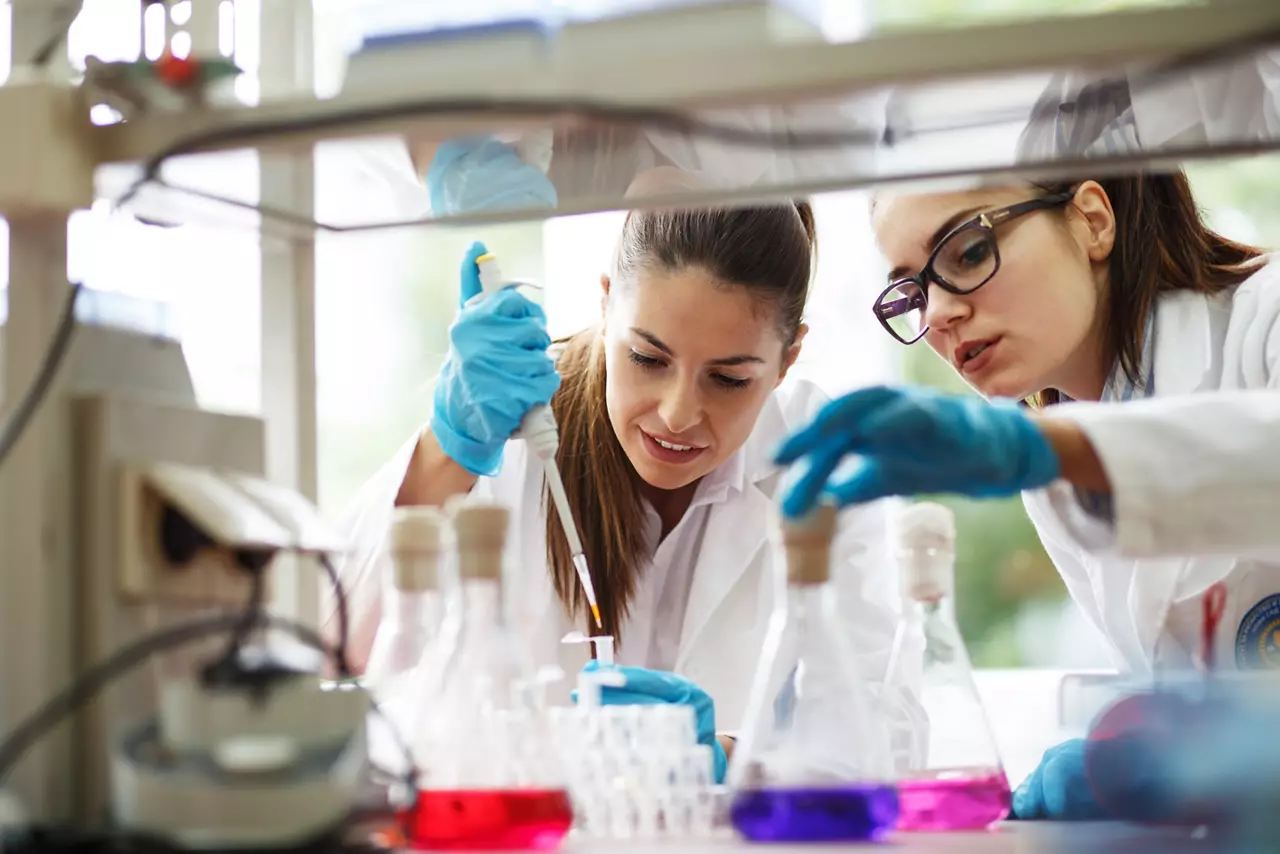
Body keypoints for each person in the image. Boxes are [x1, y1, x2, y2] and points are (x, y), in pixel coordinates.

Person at [327, 196, 922, 784]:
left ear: (787, 359)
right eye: (647, 358)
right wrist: (447, 449)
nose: (679, 413)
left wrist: (727, 759)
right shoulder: (509, 429)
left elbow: (890, 731)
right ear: (607, 302)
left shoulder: (824, 464)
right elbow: (332, 646)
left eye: (729, 378)